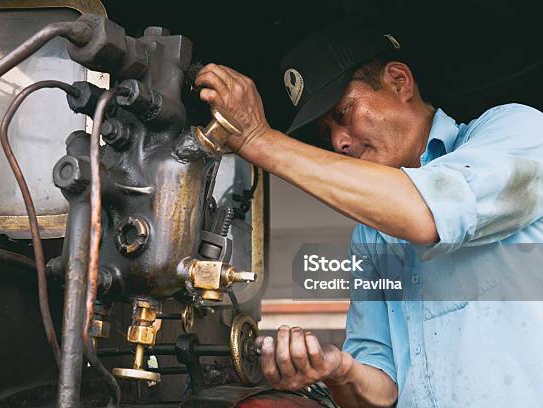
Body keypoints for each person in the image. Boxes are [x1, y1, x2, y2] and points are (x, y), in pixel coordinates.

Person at [195, 18, 543, 408]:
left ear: (399, 81)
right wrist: (338, 370)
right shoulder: (372, 233)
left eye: (344, 114)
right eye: (326, 135)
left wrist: (260, 141)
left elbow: (426, 212)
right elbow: (382, 388)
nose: (339, 142)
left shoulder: (516, 131)